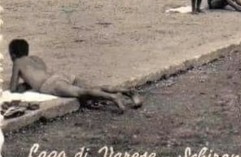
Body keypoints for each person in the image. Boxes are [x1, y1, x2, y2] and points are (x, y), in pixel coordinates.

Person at [9, 39, 142, 113]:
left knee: (81, 92)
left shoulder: (17, 62)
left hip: (50, 84)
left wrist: (24, 85)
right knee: (93, 87)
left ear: (13, 55)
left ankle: (113, 97)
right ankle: (127, 91)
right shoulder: (35, 58)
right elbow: (41, 72)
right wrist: (29, 82)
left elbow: (13, 88)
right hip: (59, 75)